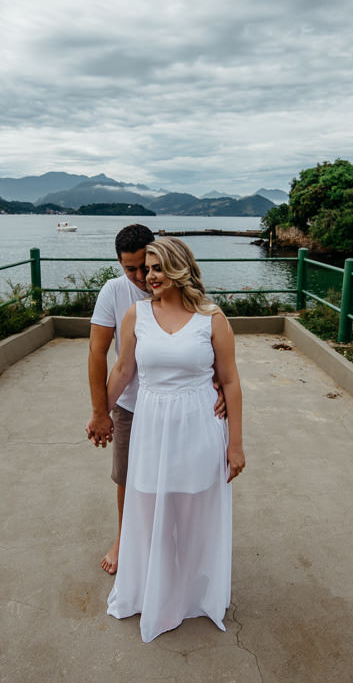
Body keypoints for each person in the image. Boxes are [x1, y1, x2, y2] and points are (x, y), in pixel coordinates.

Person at [104, 237, 245, 642]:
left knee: (191, 508)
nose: (148, 276)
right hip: (151, 428)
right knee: (148, 505)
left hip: (199, 425)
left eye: (156, 268)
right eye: (145, 269)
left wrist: (235, 444)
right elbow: (122, 371)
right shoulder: (136, 315)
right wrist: (100, 412)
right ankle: (155, 588)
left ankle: (190, 593)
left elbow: (232, 382)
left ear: (179, 269)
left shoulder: (212, 318)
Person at [86, 224, 155, 575]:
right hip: (130, 402)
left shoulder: (172, 284)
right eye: (131, 268)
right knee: (126, 477)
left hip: (173, 403)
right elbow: (98, 352)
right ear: (119, 264)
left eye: (146, 265)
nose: (141, 276)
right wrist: (101, 411)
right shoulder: (114, 291)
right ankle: (123, 538)